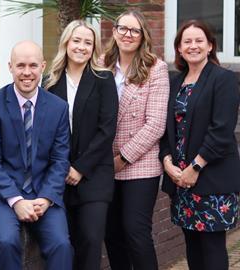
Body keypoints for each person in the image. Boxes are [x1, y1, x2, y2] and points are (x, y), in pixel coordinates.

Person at [0, 40, 73, 270]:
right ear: (10, 67)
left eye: (32, 65)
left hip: (43, 193)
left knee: (62, 245)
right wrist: (16, 200)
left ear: (43, 66)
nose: (26, 73)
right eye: (20, 66)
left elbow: (60, 160)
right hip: (2, 195)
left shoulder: (58, 107)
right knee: (7, 242)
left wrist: (47, 197)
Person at [160, 20, 240, 270]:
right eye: (187, 41)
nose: (193, 46)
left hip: (211, 178)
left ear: (210, 46)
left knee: (212, 249)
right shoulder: (175, 82)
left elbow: (222, 131)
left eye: (199, 41)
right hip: (181, 180)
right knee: (192, 247)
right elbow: (167, 130)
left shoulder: (223, 79)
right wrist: (167, 163)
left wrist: (194, 168)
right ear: (179, 49)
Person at [44, 20, 118, 270]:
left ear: (94, 48)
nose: (81, 47)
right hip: (57, 176)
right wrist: (63, 167)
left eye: (88, 42)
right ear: (66, 42)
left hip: (94, 175)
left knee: (90, 239)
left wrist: (80, 168)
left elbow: (107, 129)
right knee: (64, 243)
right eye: (77, 40)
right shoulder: (49, 82)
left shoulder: (104, 79)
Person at [102, 10, 170, 270]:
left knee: (135, 231)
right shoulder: (101, 64)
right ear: (115, 32)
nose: (127, 35)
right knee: (111, 233)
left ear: (143, 36)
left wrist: (123, 158)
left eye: (134, 30)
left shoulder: (156, 68)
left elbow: (155, 124)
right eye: (122, 28)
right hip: (104, 163)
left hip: (139, 164)